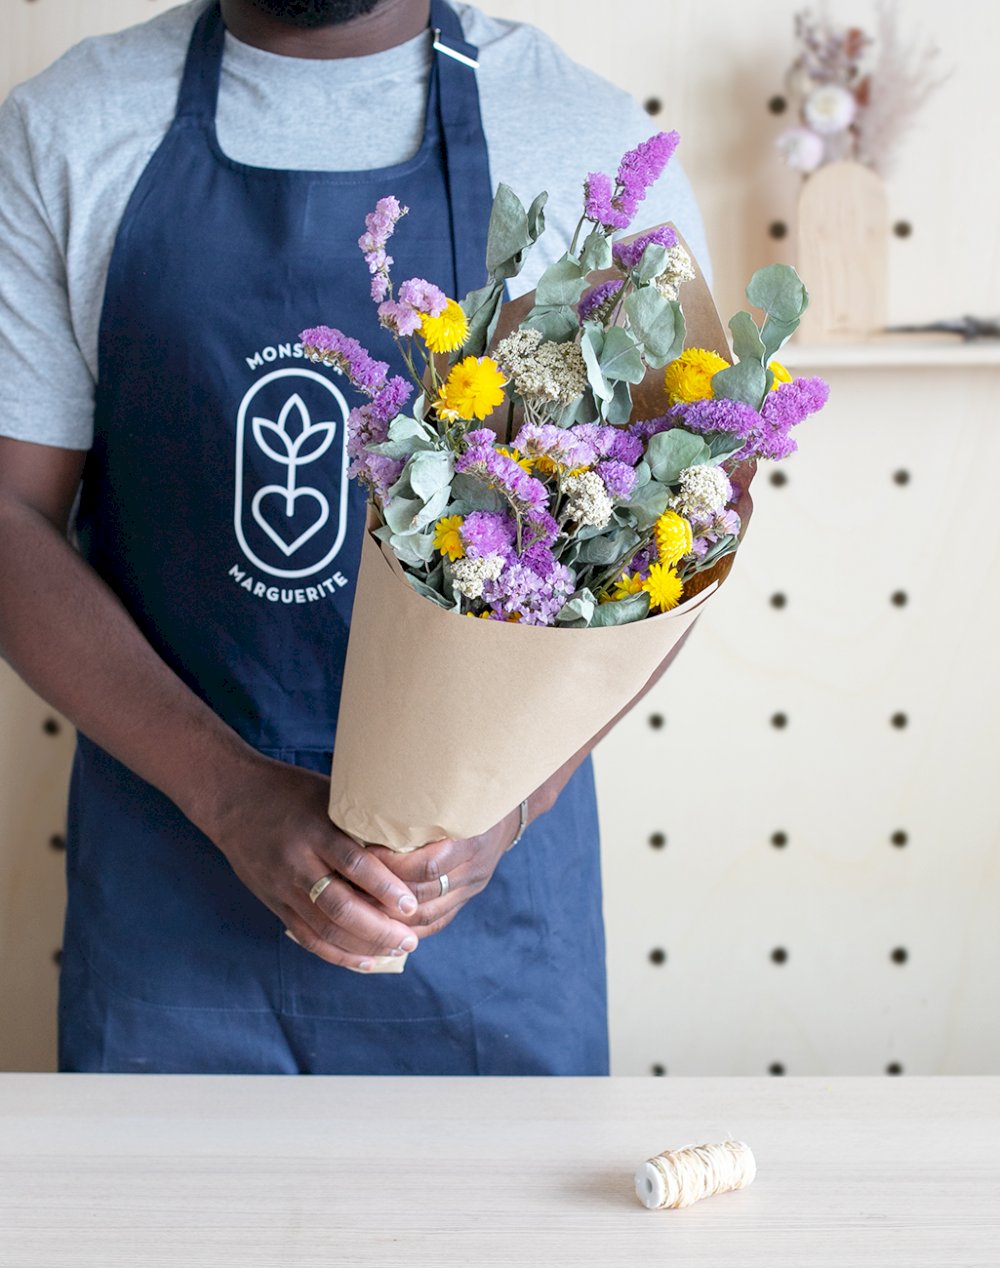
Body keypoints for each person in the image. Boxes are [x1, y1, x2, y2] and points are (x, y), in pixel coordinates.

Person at [0, 0, 713, 1075]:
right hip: (168, 900)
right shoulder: (70, 127)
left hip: (481, 914)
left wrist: (504, 813)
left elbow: (677, 534)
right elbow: (7, 516)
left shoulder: (578, 138)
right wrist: (231, 792)